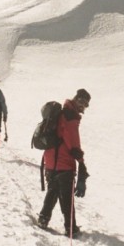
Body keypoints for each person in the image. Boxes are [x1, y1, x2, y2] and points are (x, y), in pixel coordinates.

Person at [37, 88, 91, 237]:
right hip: (63, 162)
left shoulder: (61, 112)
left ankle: (43, 218)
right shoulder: (70, 116)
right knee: (66, 196)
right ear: (78, 100)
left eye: (86, 106)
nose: (84, 108)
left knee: (53, 191)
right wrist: (81, 161)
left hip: (50, 160)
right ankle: (70, 228)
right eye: (84, 103)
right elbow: (72, 141)